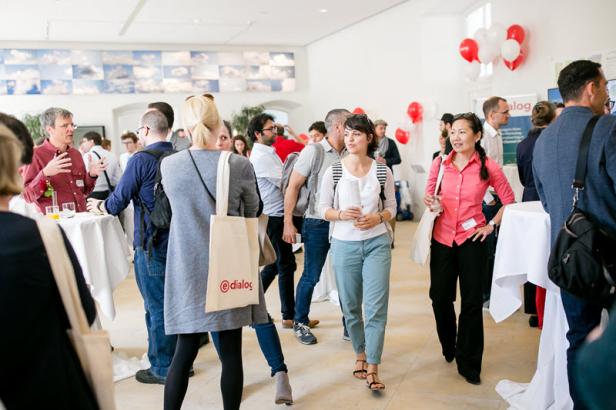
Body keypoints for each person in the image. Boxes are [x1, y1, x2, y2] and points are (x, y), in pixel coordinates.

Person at [161, 95, 270, 410]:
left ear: (185, 127)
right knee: (231, 353)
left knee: (184, 351)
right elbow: (252, 210)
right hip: (228, 267)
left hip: (186, 267)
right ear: (217, 123)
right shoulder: (238, 164)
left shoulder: (169, 166)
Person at [533, 60, 616, 408]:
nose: (607, 96)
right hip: (610, 255)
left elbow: (546, 200)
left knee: (579, 338)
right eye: (605, 88)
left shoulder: (542, 139)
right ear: (591, 88)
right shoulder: (608, 127)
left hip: (569, 256)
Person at [0, 127, 98, 409]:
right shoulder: (42, 235)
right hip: (44, 383)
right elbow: (82, 312)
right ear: (16, 168)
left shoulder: (77, 155)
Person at [87, 109, 178, 385]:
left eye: (139, 131)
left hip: (151, 242)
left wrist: (100, 205)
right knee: (173, 303)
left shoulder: (140, 160)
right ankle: (178, 362)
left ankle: (164, 368)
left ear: (147, 130)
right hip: (179, 241)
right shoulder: (179, 157)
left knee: (156, 307)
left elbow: (118, 201)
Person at [424, 112, 514, 385]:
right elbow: (429, 195)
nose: (456, 137)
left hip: (473, 240)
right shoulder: (439, 164)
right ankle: (449, 344)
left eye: (463, 132)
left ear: (477, 136)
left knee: (472, 302)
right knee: (440, 297)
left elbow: (508, 201)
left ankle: (469, 362)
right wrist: (432, 202)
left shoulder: (488, 166)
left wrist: (491, 225)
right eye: (454, 132)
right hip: (442, 239)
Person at [319, 114, 396, 391]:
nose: (350, 139)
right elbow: (322, 208)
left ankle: (373, 364)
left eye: (357, 134)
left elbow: (392, 208)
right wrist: (340, 214)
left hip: (377, 243)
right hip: (344, 244)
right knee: (350, 307)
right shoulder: (335, 171)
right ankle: (360, 352)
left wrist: (379, 218)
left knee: (376, 307)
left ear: (369, 138)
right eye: (347, 134)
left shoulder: (381, 170)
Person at [283, 108, 350, 345]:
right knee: (311, 274)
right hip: (317, 223)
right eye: (349, 123)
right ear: (338, 126)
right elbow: (293, 187)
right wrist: (288, 222)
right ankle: (300, 322)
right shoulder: (314, 151)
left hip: (345, 224)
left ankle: (349, 325)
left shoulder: (351, 152)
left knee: (346, 276)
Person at [249, 114, 297, 327]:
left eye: (275, 127)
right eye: (270, 129)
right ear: (258, 134)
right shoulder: (261, 156)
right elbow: (285, 183)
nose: (275, 131)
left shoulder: (268, 152)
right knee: (285, 265)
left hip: (274, 215)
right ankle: (289, 316)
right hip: (274, 217)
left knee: (275, 265)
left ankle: (250, 305)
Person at [516, 101, 556, 329]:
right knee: (549, 251)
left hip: (529, 197)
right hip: (546, 199)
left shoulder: (522, 145)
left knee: (532, 255)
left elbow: (522, 177)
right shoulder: (550, 141)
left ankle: (532, 308)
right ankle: (549, 305)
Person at [22, 107, 106, 213]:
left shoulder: (76, 154)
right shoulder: (35, 155)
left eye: (72, 125)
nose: (71, 129)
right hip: (55, 224)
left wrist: (92, 175)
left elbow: (84, 191)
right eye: (65, 125)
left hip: (81, 220)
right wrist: (45, 173)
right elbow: (27, 196)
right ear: (50, 130)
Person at [82, 131, 121, 200]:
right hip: (107, 195)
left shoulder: (88, 156)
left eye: (84, 141)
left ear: (91, 141)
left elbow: (84, 179)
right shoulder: (112, 155)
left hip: (92, 195)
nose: (83, 145)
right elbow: (118, 178)